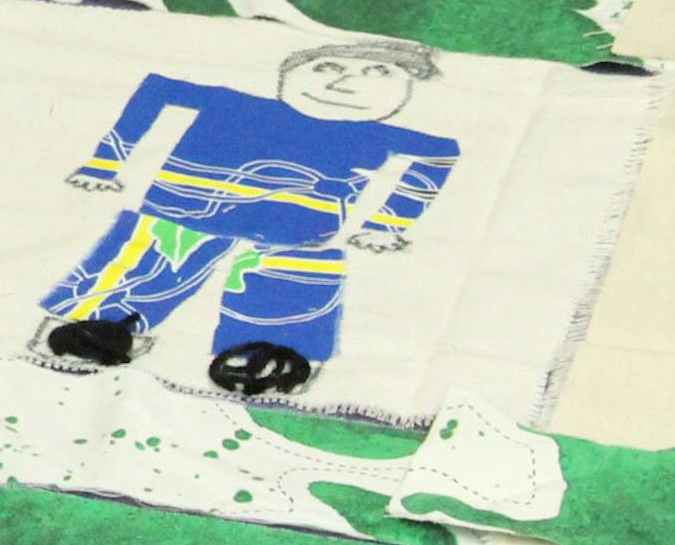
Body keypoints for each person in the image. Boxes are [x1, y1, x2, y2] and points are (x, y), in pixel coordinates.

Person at [36, 37, 457, 394]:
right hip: (180, 211)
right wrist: (105, 162)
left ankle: (274, 353)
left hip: (296, 232)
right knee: (142, 261)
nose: (344, 81)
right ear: (291, 71)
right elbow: (158, 88)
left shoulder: (378, 133)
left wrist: (388, 224)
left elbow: (442, 152)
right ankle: (95, 326)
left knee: (293, 282)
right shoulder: (234, 105)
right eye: (327, 65)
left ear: (406, 88)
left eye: (380, 74)